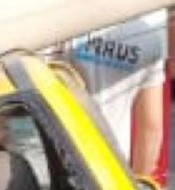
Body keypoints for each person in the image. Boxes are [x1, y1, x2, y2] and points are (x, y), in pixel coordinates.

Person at [65, 10, 168, 177]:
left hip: (62, 161)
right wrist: (138, 184)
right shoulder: (148, 38)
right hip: (114, 170)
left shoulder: (62, 26)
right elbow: (151, 127)